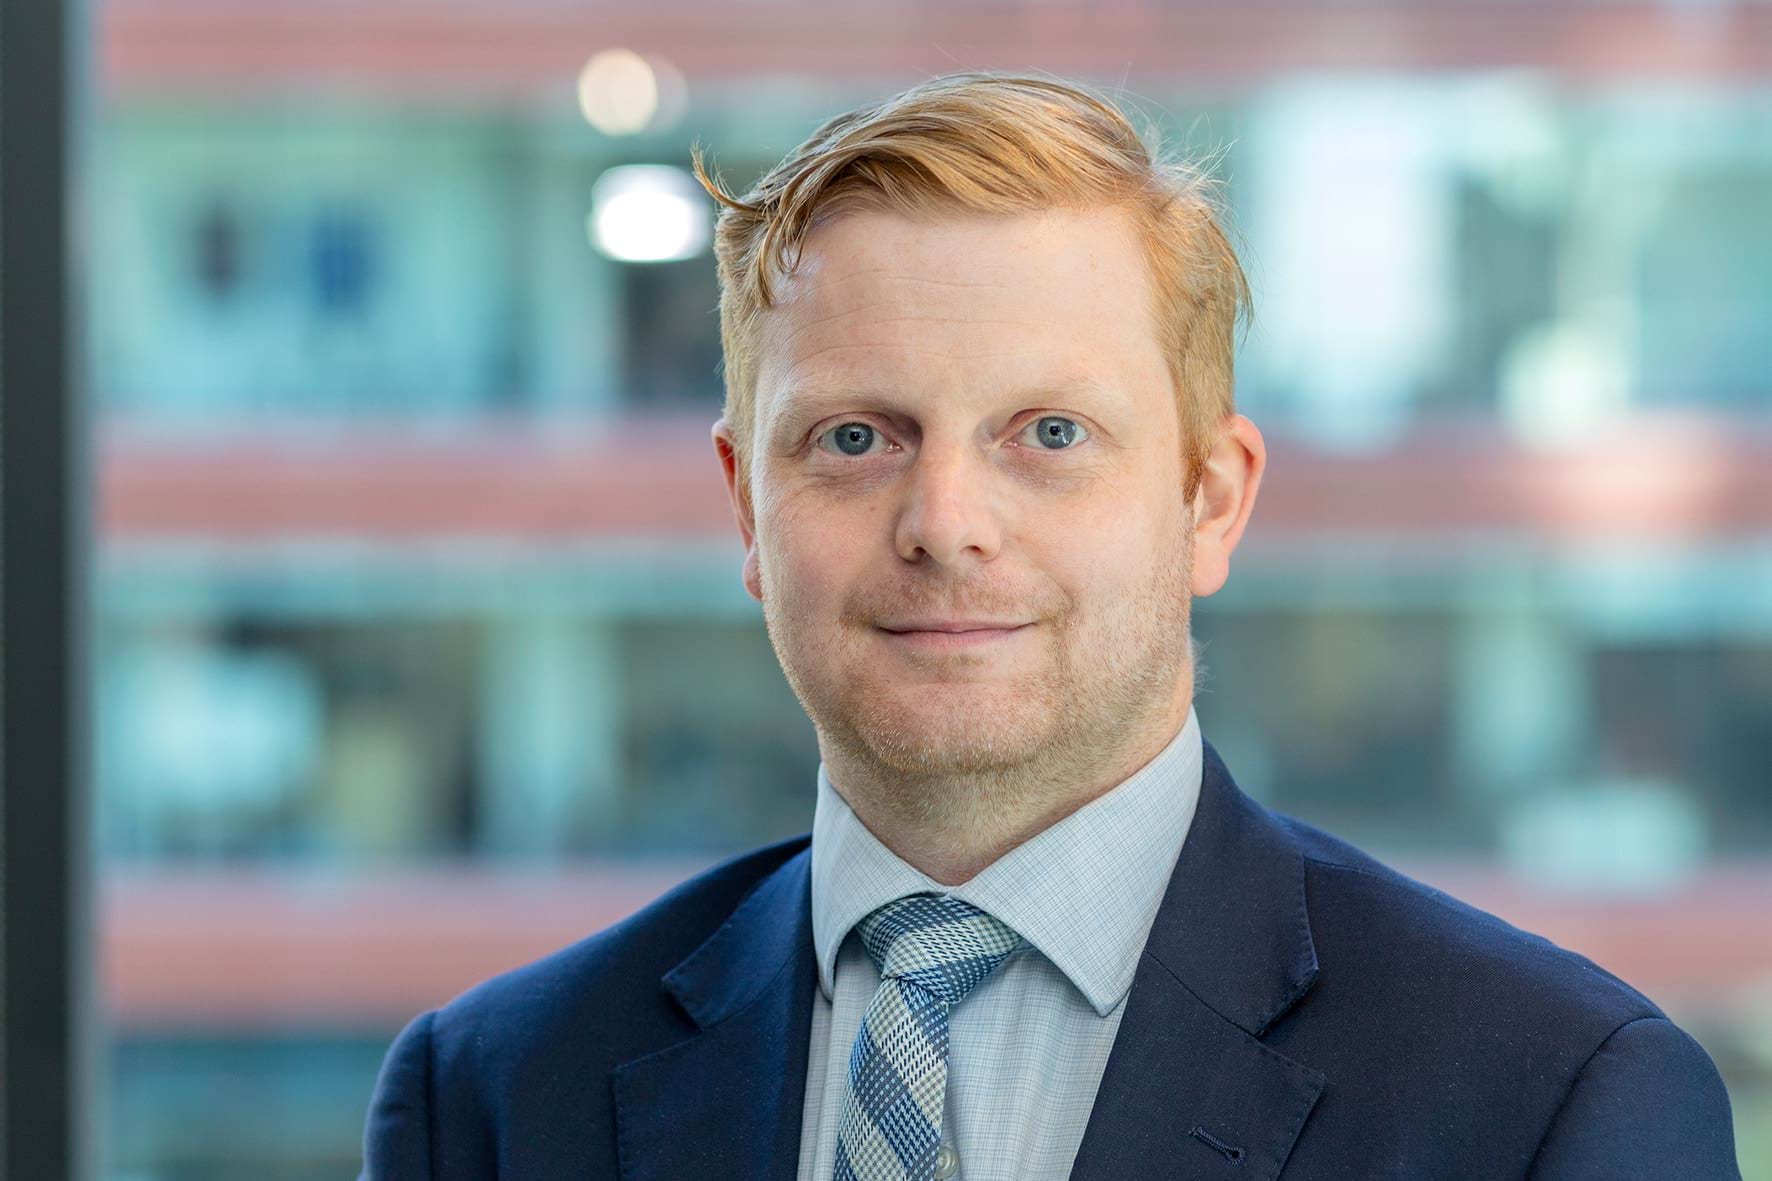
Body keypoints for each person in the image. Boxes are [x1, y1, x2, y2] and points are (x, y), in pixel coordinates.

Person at [358, 72, 1741, 1180]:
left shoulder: (1554, 1103)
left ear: (1211, 499)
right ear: (744, 505)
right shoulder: (487, 1100)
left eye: (1052, 433)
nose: (945, 520)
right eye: (855, 436)